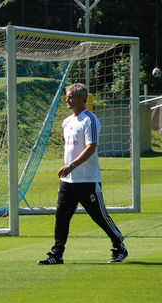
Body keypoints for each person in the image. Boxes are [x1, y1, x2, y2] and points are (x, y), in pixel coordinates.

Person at [38, 83, 128, 265]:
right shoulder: (67, 122)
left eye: (71, 96)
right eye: (67, 96)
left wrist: (71, 165)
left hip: (87, 180)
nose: (67, 99)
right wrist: (69, 170)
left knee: (99, 217)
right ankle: (57, 254)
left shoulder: (90, 119)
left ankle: (120, 246)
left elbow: (91, 147)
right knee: (61, 216)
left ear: (81, 98)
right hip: (68, 181)